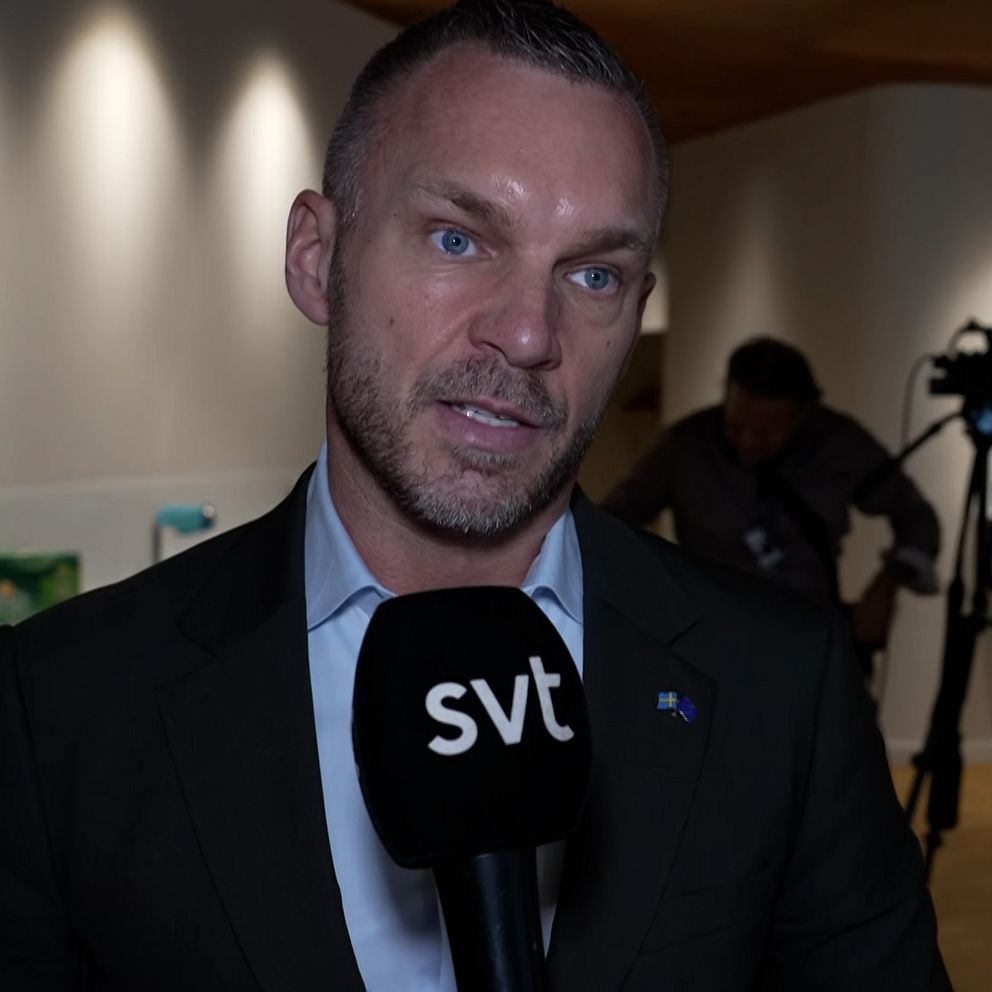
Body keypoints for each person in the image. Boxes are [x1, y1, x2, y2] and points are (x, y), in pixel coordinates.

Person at [0, 2, 950, 990]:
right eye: (458, 239)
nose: (529, 333)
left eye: (593, 273)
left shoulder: (781, 687)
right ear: (316, 257)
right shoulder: (64, 704)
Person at [603, 336, 941, 667]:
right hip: (711, 644)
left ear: (803, 413)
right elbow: (610, 523)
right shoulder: (686, 446)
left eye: (765, 433)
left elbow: (916, 515)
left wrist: (888, 583)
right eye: (735, 427)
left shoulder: (838, 445)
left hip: (809, 643)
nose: (747, 443)